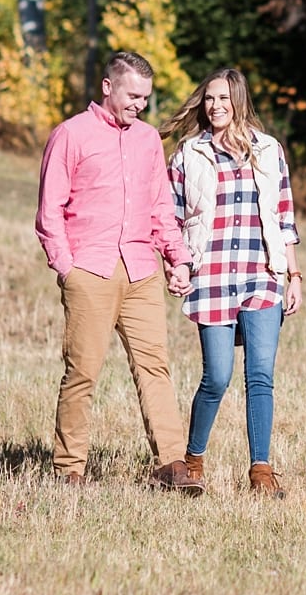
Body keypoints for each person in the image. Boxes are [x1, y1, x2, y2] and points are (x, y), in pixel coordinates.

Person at [34, 50, 203, 493]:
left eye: (145, 98)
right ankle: (69, 468)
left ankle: (171, 465)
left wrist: (177, 258)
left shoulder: (148, 140)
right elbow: (49, 210)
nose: (140, 105)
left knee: (155, 368)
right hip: (90, 269)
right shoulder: (71, 135)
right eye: (133, 95)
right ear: (108, 87)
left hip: (142, 269)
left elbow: (161, 207)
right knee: (83, 371)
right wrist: (67, 267)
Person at [162, 68, 302, 499]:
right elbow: (172, 217)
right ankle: (193, 461)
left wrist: (293, 275)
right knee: (217, 376)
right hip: (212, 277)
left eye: (223, 98)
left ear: (239, 100)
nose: (215, 106)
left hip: (261, 275)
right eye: (209, 99)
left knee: (260, 375)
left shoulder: (268, 150)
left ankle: (261, 470)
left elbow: (284, 217)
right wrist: (177, 264)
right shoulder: (190, 154)